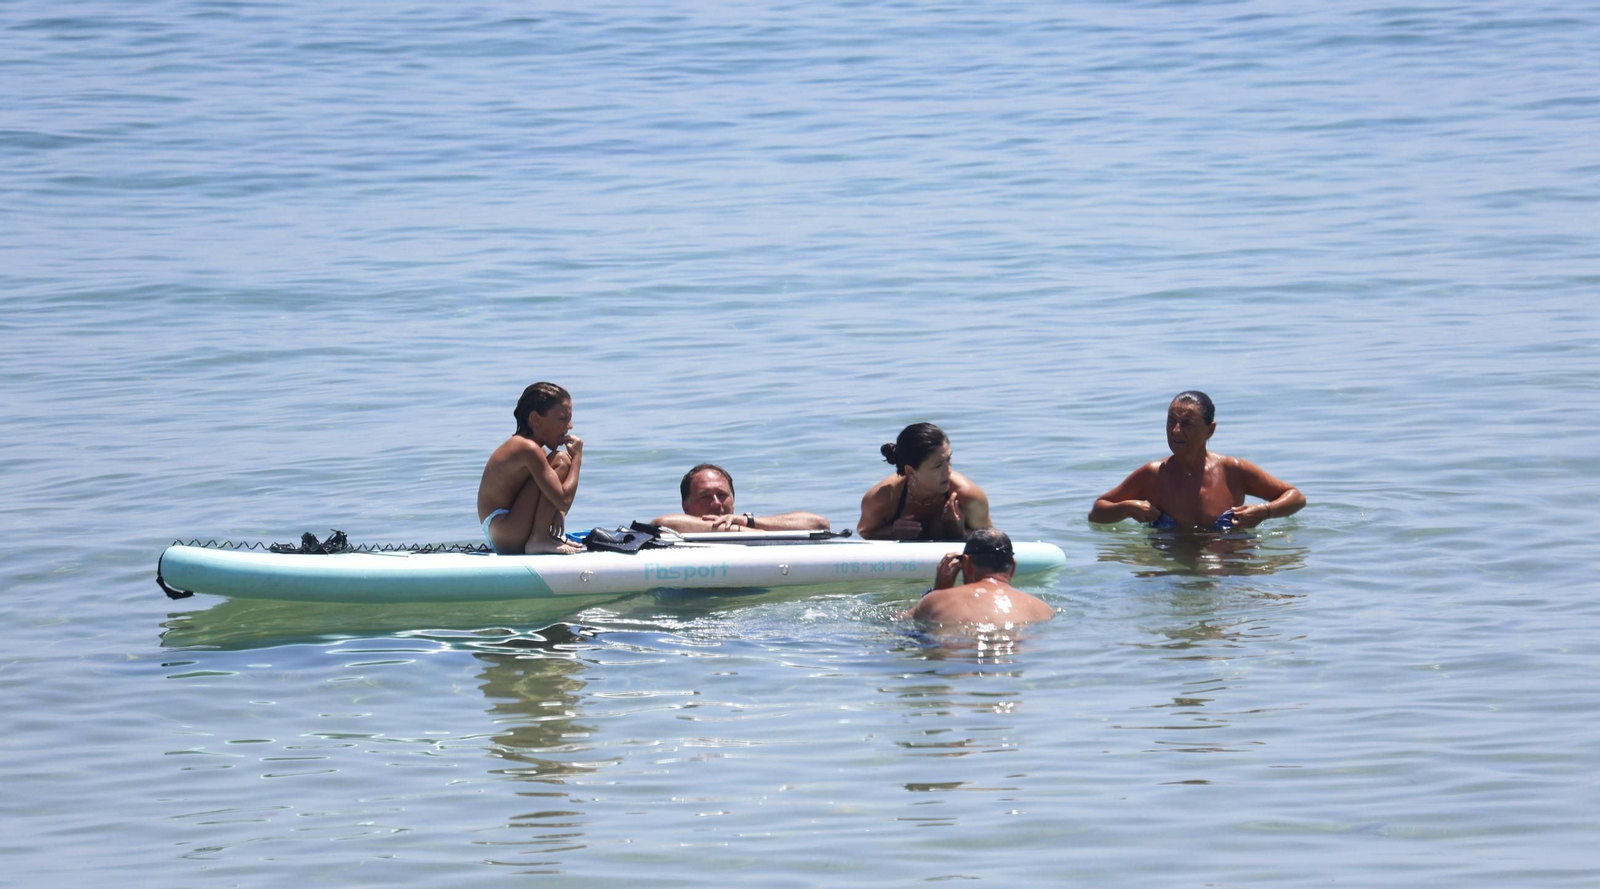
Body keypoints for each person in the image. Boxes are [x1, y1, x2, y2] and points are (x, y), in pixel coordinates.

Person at [1089, 390, 1305, 531]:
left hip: (1230, 569)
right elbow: (1097, 512)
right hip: (1171, 568)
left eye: (1187, 424)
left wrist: (1265, 512)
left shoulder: (1232, 471)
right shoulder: (1153, 475)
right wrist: (1126, 508)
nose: (1176, 431)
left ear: (1210, 430)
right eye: (1171, 421)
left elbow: (1296, 497)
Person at [477, 383, 584, 554]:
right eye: (563, 419)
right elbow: (563, 501)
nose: (570, 426)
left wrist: (558, 512)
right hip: (505, 529)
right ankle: (539, 539)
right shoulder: (528, 449)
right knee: (561, 460)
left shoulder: (531, 449)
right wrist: (577, 458)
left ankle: (540, 538)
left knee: (558, 461)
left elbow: (555, 499)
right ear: (535, 420)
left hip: (504, 531)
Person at [858, 423, 991, 540]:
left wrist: (960, 533)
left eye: (948, 459)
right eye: (938, 466)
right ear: (910, 471)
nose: (948, 471)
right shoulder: (883, 498)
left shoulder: (968, 496)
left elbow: (993, 541)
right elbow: (865, 532)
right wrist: (892, 532)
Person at [905, 529, 1054, 625]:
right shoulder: (1044, 610)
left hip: (958, 656)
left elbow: (898, 621)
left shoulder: (935, 600)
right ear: (1013, 566)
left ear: (967, 565)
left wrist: (938, 591)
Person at [651, 463, 831, 533]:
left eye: (722, 495)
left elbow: (819, 524)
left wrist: (747, 522)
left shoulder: (747, 525)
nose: (716, 502)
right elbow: (663, 522)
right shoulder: (676, 534)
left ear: (733, 500)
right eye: (705, 496)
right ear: (686, 506)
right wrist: (743, 531)